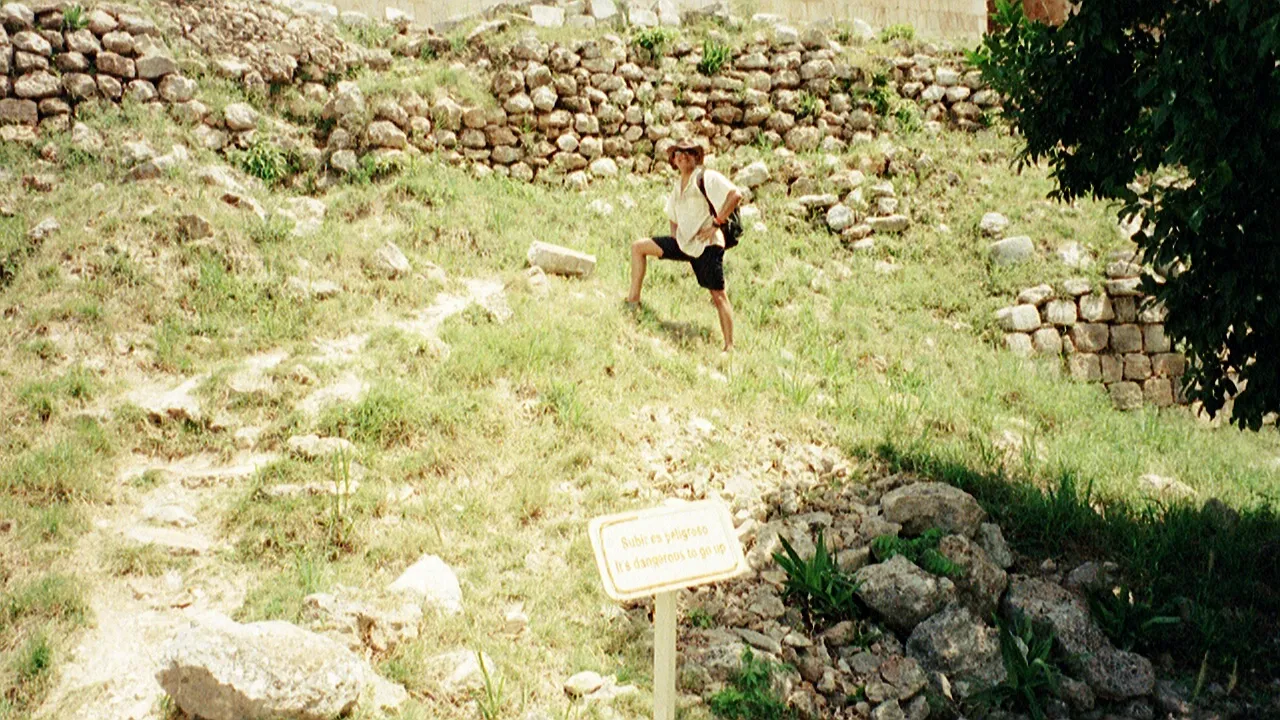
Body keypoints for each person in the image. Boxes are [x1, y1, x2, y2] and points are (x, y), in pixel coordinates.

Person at [626, 140, 743, 353]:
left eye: (689, 153)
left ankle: (729, 347)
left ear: (696, 157)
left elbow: (735, 195)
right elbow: (672, 215)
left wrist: (717, 223)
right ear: (673, 160)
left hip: (707, 245)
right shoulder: (678, 184)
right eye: (678, 153)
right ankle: (632, 301)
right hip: (684, 243)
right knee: (638, 247)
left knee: (718, 295)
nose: (683, 156)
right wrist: (674, 238)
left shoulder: (706, 177)